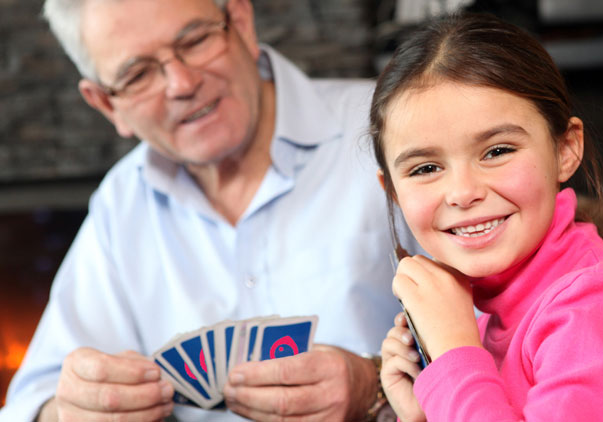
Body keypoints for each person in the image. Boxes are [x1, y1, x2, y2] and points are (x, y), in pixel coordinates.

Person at [1, 0, 412, 420]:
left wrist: (373, 383)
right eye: (138, 74)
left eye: (195, 41)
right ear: (107, 105)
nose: (181, 83)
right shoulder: (121, 204)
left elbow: (481, 349)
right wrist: (67, 411)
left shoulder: (398, 128)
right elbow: (29, 405)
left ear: (242, 22)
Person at [370, 13, 603, 421]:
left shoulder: (601, 307)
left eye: (497, 151)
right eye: (425, 168)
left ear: (565, 149)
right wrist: (424, 411)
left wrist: (452, 357)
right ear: (392, 191)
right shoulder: (483, 316)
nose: (464, 193)